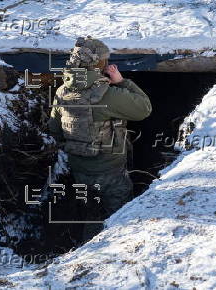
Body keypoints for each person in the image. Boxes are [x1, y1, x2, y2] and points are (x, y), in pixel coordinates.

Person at [47, 36, 152, 241]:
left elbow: (55, 130)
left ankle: (88, 248)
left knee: (91, 214)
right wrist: (122, 82)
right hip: (111, 171)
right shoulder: (107, 94)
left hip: (79, 170)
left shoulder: (62, 91)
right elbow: (144, 109)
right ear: (99, 64)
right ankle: (116, 251)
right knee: (120, 217)